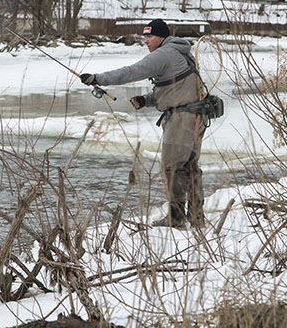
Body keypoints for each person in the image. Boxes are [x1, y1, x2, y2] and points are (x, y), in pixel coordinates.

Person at [79, 18, 206, 229]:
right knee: (190, 167)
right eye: (144, 36)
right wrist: (146, 100)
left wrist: (97, 78)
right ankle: (196, 217)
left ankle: (176, 218)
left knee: (172, 168)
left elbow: (132, 72)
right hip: (196, 117)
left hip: (182, 119)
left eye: (150, 36)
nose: (146, 41)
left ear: (162, 37)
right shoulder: (181, 52)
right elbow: (177, 88)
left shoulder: (164, 54)